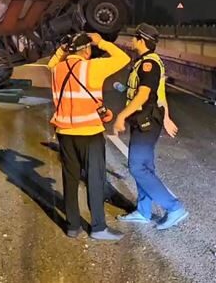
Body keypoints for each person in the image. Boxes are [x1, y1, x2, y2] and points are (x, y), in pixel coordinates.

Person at [48, 32, 130, 240]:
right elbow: (124, 59)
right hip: (90, 134)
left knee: (70, 179)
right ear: (87, 50)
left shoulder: (56, 70)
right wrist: (100, 41)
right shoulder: (91, 67)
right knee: (95, 179)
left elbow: (52, 62)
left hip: (65, 133)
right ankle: (98, 227)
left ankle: (73, 226)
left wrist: (63, 49)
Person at [113, 23, 188, 229]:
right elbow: (158, 94)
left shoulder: (149, 64)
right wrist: (167, 118)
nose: (132, 41)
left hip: (146, 123)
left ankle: (174, 208)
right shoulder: (146, 62)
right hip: (144, 122)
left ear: (142, 40)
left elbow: (145, 95)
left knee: (137, 167)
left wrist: (121, 116)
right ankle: (144, 211)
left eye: (135, 38)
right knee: (144, 167)